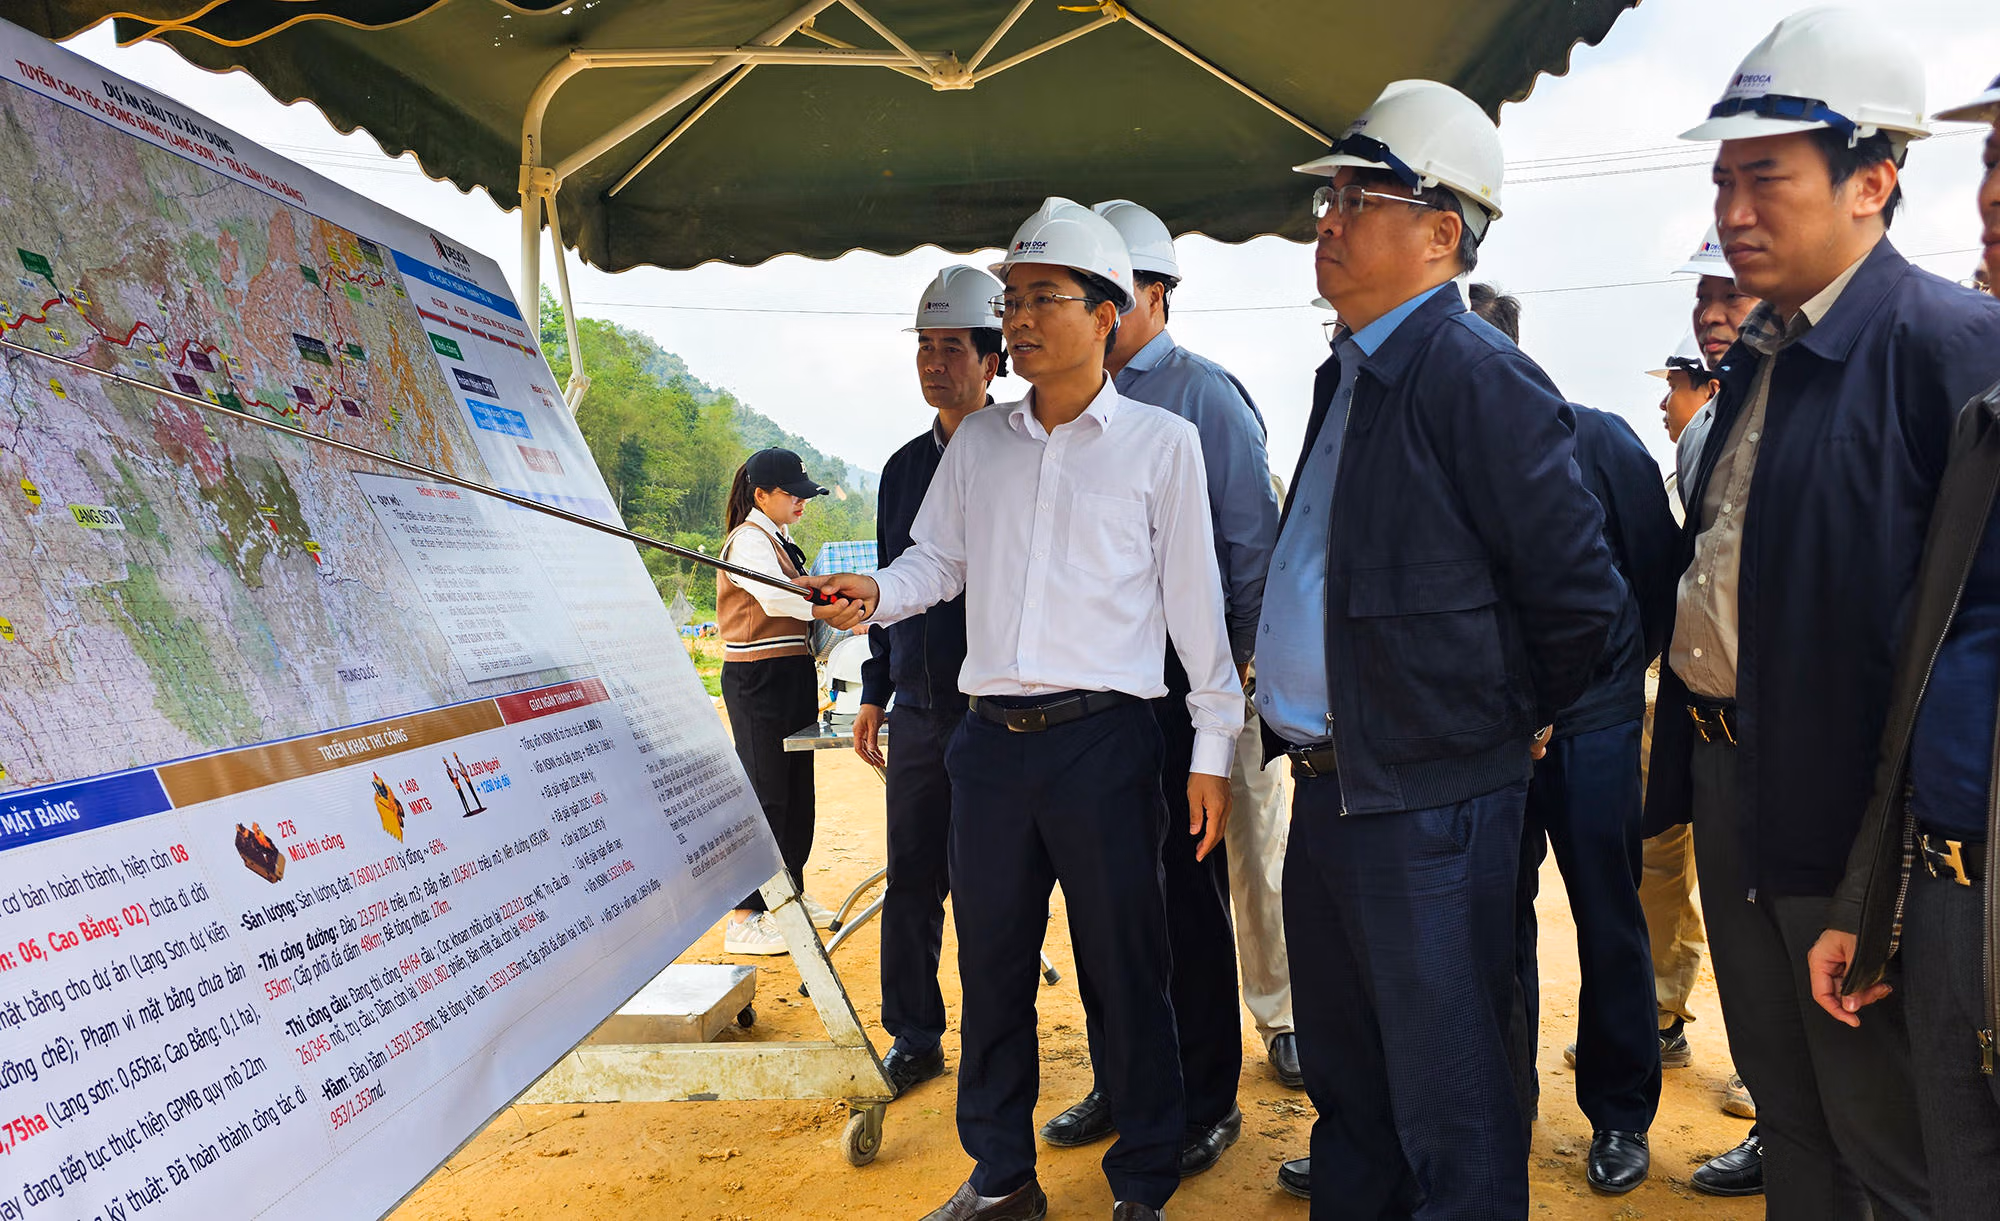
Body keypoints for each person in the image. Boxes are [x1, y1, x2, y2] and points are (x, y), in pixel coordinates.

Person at [807, 197, 1241, 1221]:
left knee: (1126, 967)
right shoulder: (981, 447)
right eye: (1013, 300)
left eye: (1045, 296)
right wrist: (877, 593)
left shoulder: (1163, 444)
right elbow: (936, 562)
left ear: (1107, 311)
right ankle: (1000, 1175)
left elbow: (1197, 608)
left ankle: (1143, 1180)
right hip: (988, 748)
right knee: (993, 967)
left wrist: (1212, 748)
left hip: (1108, 744)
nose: (1021, 318)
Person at [1647, 10, 2000, 1216]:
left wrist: (1883, 865)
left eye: (1765, 178)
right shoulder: (1759, 353)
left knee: (1883, 1131)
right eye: (1722, 182)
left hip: (1854, 825)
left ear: (1871, 181)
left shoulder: (1949, 349)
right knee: (1789, 1110)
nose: (1733, 211)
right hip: (1730, 780)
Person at [1264, 81, 1624, 1216]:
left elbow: (1582, 602)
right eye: (1326, 199)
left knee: (1448, 1107)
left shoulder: (1476, 376)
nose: (1328, 220)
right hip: (1332, 787)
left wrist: (1487, 728)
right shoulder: (1349, 371)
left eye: (1358, 200)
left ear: (1440, 232)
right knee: (1351, 1094)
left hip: (1426, 802)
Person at [1032, 200, 1285, 1174]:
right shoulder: (1065, 399)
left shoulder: (1203, 398)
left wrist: (1234, 685)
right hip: (1090, 695)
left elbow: (1250, 550)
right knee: (1102, 898)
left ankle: (1204, 1097)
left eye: (1111, 289)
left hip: (1181, 692)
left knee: (1184, 897)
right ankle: (1123, 1078)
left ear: (1155, 294)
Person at [1807, 74, 2000, 1221]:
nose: (1994, 194)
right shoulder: (1982, 429)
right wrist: (1867, 898)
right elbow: (1921, 684)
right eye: (1992, 159)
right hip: (1943, 896)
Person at [1474, 284, 1678, 1194]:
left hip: (1593, 724)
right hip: (1490, 734)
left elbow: (1656, 576)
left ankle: (1620, 1111)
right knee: (1492, 918)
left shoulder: (1597, 439)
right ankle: (1502, 1103)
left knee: (1608, 912)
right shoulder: (1445, 454)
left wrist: (1604, 685)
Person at [852, 263, 1006, 1099]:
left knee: (989, 885)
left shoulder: (1020, 454)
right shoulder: (902, 469)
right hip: (917, 709)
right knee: (912, 878)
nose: (933, 363)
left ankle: (993, 1037)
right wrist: (875, 691)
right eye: (924, 347)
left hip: (996, 712)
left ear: (992, 361)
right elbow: (889, 585)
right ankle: (914, 1034)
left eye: (952, 347)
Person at [1641, 233, 1771, 1198]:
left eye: (1733, 292)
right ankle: (1781, 1120)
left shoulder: (1840, 390)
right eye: (1704, 294)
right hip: (1716, 724)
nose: (1714, 311)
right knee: (1743, 932)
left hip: (1801, 731)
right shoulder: (1707, 430)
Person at [716, 447, 831, 955]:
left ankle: (789, 900)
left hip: (790, 673)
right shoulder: (748, 540)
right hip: (757, 676)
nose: (801, 502)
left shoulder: (780, 539)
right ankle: (744, 916)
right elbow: (777, 596)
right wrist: (829, 604)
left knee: (797, 790)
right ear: (761, 495)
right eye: (792, 494)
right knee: (766, 793)